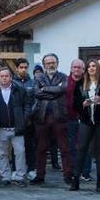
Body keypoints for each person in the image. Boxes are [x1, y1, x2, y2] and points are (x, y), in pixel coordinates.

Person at [71, 59, 100, 192]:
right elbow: (75, 103)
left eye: (93, 66)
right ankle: (76, 180)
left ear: (97, 68)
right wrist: (82, 104)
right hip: (86, 120)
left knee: (99, 149)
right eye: (89, 66)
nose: (91, 68)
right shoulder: (80, 83)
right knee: (82, 148)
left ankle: (99, 182)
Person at [31, 54, 72, 185]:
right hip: (42, 117)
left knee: (64, 149)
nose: (51, 65)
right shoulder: (38, 78)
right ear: (44, 65)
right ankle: (40, 176)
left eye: (53, 62)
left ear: (57, 63)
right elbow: (36, 93)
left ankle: (67, 175)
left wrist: (45, 90)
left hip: (59, 117)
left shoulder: (64, 77)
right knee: (41, 148)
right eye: (48, 63)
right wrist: (54, 92)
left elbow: (63, 88)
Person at [0, 67, 29, 186]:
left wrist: (23, 120)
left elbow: (27, 106)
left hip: (17, 128)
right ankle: (5, 177)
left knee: (20, 152)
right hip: (0, 129)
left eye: (7, 76)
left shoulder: (19, 90)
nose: (4, 78)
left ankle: (20, 177)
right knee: (2, 154)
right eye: (2, 76)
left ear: (11, 77)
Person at [13, 58, 38, 176]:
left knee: (30, 146)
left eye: (25, 67)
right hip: (15, 121)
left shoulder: (33, 83)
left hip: (29, 121)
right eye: (21, 67)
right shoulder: (11, 83)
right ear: (16, 68)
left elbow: (35, 101)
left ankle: (31, 169)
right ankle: (16, 170)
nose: (23, 69)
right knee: (15, 148)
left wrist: (27, 116)